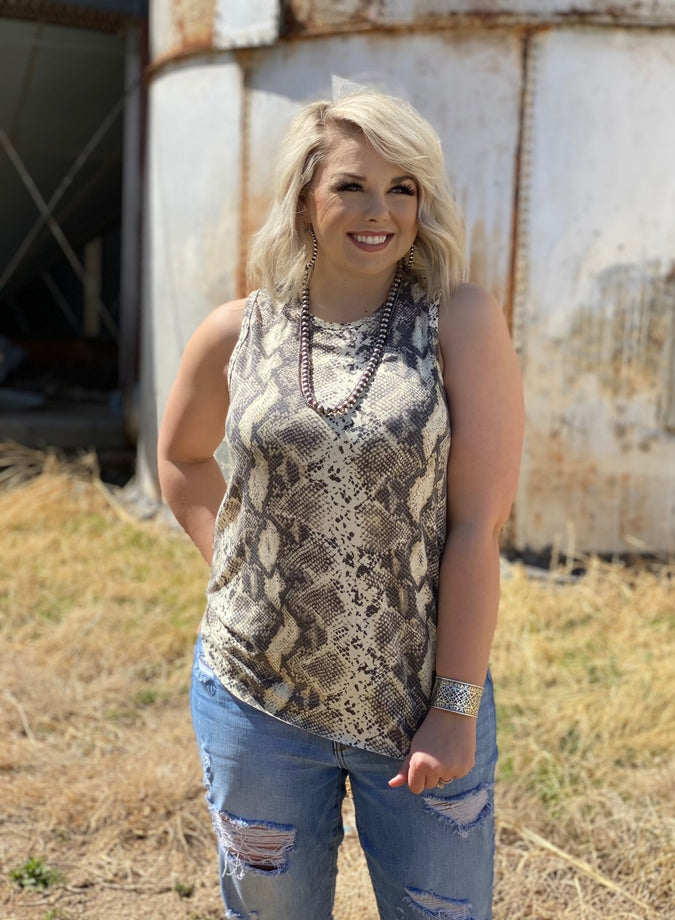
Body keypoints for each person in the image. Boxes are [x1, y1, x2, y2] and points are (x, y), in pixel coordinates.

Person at [157, 86, 524, 920]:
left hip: (417, 704)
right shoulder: (236, 331)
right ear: (303, 199)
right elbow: (180, 458)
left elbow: (479, 525)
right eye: (351, 185)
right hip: (256, 700)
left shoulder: (459, 321)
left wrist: (454, 707)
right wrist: (241, 570)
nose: (378, 211)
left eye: (402, 188)